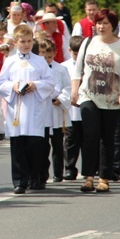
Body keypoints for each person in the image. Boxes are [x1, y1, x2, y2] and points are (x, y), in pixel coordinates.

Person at [71, 8, 120, 193]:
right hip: (88, 95)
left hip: (111, 99)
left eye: (105, 23)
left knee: (107, 139)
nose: (101, 26)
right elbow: (78, 69)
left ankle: (103, 178)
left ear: (113, 25)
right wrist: (74, 90)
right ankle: (88, 177)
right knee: (90, 135)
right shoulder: (88, 42)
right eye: (98, 23)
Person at [0, 25, 56, 193]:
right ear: (15, 42)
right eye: (22, 41)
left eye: (29, 41)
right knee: (18, 146)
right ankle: (20, 181)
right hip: (18, 110)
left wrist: (36, 85)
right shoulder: (10, 61)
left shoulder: (39, 61)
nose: (26, 45)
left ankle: (36, 178)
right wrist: (13, 86)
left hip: (35, 109)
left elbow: (50, 83)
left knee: (35, 146)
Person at [38, 38, 70, 184]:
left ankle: (58, 173)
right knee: (43, 146)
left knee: (58, 145)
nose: (47, 60)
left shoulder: (61, 69)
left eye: (49, 57)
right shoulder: (37, 69)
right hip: (43, 110)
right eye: (44, 56)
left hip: (56, 110)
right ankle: (43, 173)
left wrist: (61, 99)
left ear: (55, 54)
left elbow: (67, 88)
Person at [62, 36, 83, 180]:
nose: (78, 56)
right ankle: (70, 168)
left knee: (89, 140)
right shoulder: (64, 66)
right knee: (71, 141)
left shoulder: (89, 65)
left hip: (87, 108)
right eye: (75, 53)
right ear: (70, 51)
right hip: (71, 110)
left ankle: (90, 168)